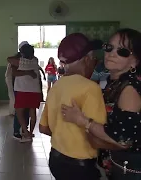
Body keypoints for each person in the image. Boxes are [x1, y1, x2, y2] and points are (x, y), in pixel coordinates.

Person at [61, 28, 141, 180]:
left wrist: (82, 121)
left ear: (135, 61)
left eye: (122, 51)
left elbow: (123, 140)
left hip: (129, 170)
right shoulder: (114, 83)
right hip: (114, 164)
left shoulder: (129, 90)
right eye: (109, 47)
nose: (111, 54)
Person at [39, 33, 110, 180]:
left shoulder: (57, 85)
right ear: (87, 59)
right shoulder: (91, 88)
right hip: (80, 167)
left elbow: (44, 128)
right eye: (94, 60)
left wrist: (65, 135)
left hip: (56, 160)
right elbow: (96, 139)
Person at [8, 44, 41, 143]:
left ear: (22, 52)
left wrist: (25, 72)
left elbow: (9, 59)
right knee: (32, 111)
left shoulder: (21, 61)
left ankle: (26, 132)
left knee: (19, 111)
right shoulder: (35, 60)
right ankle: (30, 133)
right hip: (35, 90)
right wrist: (29, 72)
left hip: (23, 90)